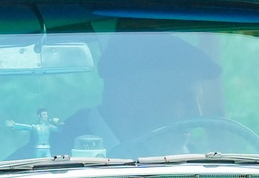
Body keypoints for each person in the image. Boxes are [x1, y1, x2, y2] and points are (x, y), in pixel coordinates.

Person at [55, 32, 228, 157]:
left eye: (198, 99)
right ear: (126, 98)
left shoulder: (194, 161)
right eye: (180, 99)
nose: (196, 115)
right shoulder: (47, 161)